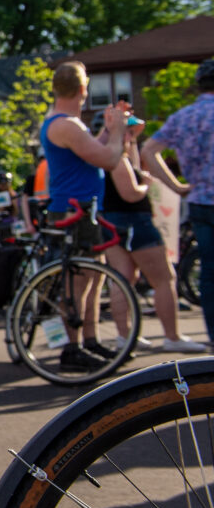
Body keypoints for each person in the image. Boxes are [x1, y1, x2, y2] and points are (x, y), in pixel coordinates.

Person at [38, 61, 127, 371]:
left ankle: (90, 340)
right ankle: (72, 347)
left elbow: (93, 150)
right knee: (79, 282)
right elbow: (108, 159)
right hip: (73, 210)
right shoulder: (66, 125)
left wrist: (107, 129)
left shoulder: (69, 124)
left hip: (83, 208)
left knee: (94, 277)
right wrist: (118, 133)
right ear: (82, 90)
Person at [100, 114, 205, 352]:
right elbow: (131, 192)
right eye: (127, 132)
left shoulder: (113, 155)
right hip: (134, 221)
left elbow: (134, 167)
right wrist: (146, 185)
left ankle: (125, 336)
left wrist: (133, 139)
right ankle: (172, 336)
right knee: (164, 279)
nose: (130, 136)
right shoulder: (116, 158)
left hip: (115, 222)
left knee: (124, 278)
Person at [142, 57, 214, 342]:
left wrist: (175, 185)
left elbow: (149, 151)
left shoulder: (183, 117)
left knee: (209, 272)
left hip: (198, 199)